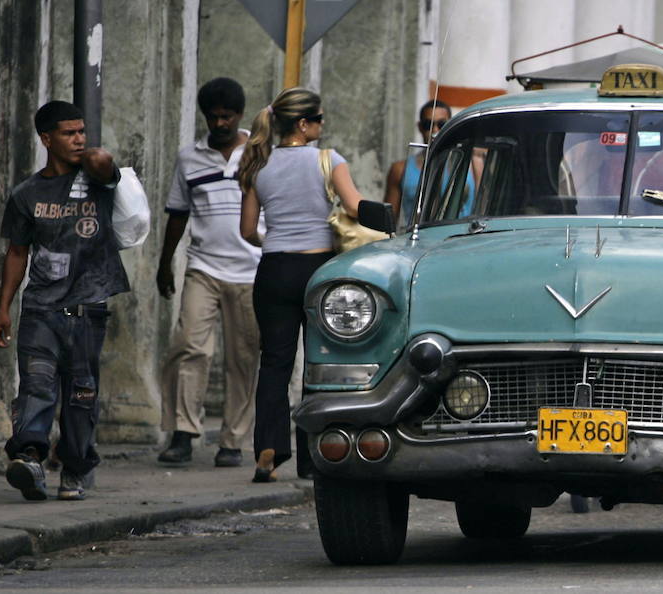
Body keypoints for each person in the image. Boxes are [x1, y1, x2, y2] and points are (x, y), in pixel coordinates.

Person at [0, 101, 131, 501]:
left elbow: (105, 162)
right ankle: (31, 459)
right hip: (40, 310)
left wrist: (89, 153)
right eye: (69, 133)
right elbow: (17, 252)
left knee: (81, 394)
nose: (79, 139)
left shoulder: (97, 179)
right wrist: (4, 308)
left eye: (82, 131)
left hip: (89, 309)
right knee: (36, 387)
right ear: (46, 139)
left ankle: (74, 466)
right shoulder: (27, 194)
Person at [238, 88, 363, 483]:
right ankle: (313, 458)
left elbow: (247, 230)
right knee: (318, 364)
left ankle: (267, 452)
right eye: (320, 120)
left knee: (274, 363)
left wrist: (276, 243)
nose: (323, 127)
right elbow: (356, 208)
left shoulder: (259, 163)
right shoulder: (329, 160)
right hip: (319, 270)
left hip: (273, 271)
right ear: (304, 124)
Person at [155, 78, 263, 468]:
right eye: (214, 117)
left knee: (243, 356)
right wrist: (166, 262)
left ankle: (233, 440)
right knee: (189, 346)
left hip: (251, 270)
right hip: (203, 267)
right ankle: (183, 432)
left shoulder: (260, 153)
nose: (220, 123)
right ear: (205, 116)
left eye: (227, 116)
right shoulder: (189, 158)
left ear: (239, 115)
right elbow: (177, 214)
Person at [383, 99, 452, 228]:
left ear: (450, 125)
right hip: (417, 241)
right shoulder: (400, 169)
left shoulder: (471, 166)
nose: (435, 130)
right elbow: (387, 224)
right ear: (420, 127)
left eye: (441, 124)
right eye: (428, 125)